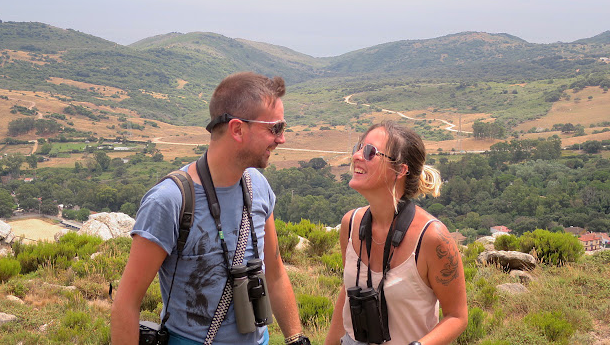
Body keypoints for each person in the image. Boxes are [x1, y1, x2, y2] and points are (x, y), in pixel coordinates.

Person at [111, 72, 309, 345]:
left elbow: (274, 274)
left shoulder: (258, 187)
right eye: (275, 128)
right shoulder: (170, 201)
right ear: (237, 129)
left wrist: (296, 338)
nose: (281, 139)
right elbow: (126, 303)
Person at [325, 121, 467, 345]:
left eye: (370, 152)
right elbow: (347, 291)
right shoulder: (351, 224)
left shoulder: (432, 237)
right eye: (358, 148)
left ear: (400, 170)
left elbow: (457, 316)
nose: (357, 156)